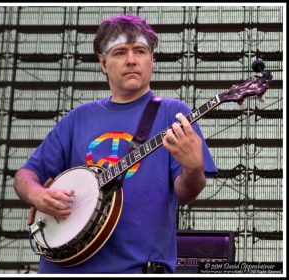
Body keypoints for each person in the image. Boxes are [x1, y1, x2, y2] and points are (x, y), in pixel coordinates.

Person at [14, 14, 218, 274]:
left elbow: (187, 192)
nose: (131, 60)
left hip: (136, 268)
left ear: (151, 60)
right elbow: (25, 175)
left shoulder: (173, 115)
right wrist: (38, 195)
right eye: (120, 52)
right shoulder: (79, 118)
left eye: (140, 51)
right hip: (62, 268)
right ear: (103, 63)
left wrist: (193, 168)